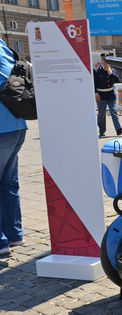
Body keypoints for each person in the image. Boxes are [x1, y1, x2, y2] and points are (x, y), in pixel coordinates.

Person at [0, 39, 26, 257]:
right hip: (15, 125)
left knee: (7, 183)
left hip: (1, 127)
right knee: (8, 183)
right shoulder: (3, 46)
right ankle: (14, 234)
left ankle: (1, 242)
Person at [94, 54, 122, 137]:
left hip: (111, 94)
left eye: (107, 61)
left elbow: (117, 80)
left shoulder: (112, 70)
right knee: (101, 114)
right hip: (101, 95)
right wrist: (95, 93)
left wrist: (110, 72)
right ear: (101, 61)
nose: (105, 63)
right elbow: (93, 83)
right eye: (104, 61)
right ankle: (102, 131)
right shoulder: (96, 71)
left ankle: (118, 130)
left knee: (113, 111)